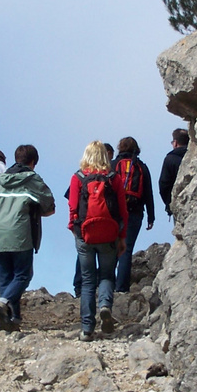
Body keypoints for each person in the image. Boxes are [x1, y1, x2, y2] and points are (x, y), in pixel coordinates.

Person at [0, 144, 56, 327]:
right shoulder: (33, 180)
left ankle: (10, 321)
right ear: (33, 163)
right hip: (20, 233)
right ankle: (3, 304)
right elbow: (49, 205)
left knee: (6, 278)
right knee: (23, 275)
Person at [67, 141, 126, 341]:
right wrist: (122, 236)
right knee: (107, 275)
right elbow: (122, 210)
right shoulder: (113, 178)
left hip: (85, 234)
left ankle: (86, 329)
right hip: (109, 234)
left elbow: (73, 208)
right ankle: (105, 306)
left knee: (88, 280)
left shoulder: (78, 177)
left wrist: (73, 229)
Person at [112, 136, 156, 292]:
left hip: (113, 213)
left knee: (110, 249)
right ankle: (122, 289)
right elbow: (148, 193)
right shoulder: (141, 167)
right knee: (126, 249)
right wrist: (151, 217)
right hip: (134, 212)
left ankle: (106, 286)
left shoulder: (113, 165)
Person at [159, 128, 189, 220]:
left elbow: (164, 183)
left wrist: (169, 203)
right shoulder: (194, 156)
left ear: (175, 143)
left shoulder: (170, 158)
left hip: (178, 202)